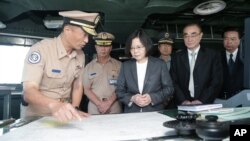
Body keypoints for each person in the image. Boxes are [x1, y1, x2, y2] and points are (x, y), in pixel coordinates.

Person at [21, 10, 100, 122]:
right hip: (38, 117)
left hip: (65, 117)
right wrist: (54, 105)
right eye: (84, 35)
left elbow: (77, 85)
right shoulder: (41, 50)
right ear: (67, 30)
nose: (87, 40)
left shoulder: (80, 55)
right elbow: (28, 92)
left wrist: (75, 107)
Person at [116, 29, 174, 113]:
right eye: (132, 48)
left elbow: (169, 89)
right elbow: (119, 91)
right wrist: (133, 98)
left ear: (146, 46)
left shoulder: (159, 64)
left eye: (139, 47)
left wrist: (152, 98)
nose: (135, 51)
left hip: (155, 113)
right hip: (131, 114)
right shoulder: (126, 66)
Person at [170, 23, 223, 105]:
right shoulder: (176, 57)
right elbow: (173, 81)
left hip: (205, 103)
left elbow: (216, 81)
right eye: (186, 35)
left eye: (193, 35)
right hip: (183, 103)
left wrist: (202, 100)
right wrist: (183, 100)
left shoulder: (212, 55)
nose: (189, 39)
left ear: (201, 35)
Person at [83, 32, 122, 114]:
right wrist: (99, 104)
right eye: (100, 46)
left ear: (111, 48)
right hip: (94, 108)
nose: (103, 49)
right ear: (96, 47)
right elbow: (86, 89)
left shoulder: (119, 65)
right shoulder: (88, 67)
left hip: (114, 107)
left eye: (106, 46)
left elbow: (121, 87)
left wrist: (108, 103)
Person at [218, 27, 244, 99]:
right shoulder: (215, 58)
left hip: (242, 99)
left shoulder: (246, 57)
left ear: (240, 41)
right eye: (226, 39)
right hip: (221, 100)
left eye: (233, 39)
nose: (229, 42)